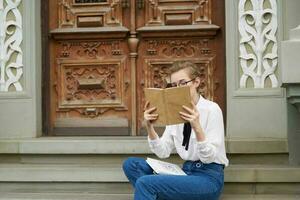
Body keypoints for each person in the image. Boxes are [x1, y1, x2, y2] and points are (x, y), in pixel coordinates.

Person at [122, 61, 229, 200]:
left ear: (196, 82)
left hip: (207, 177)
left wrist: (196, 126)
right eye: (174, 85)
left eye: (183, 83)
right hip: (185, 172)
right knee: (131, 165)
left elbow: (208, 157)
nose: (177, 89)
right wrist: (149, 126)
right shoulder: (174, 111)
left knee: (145, 183)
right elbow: (163, 152)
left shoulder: (212, 110)